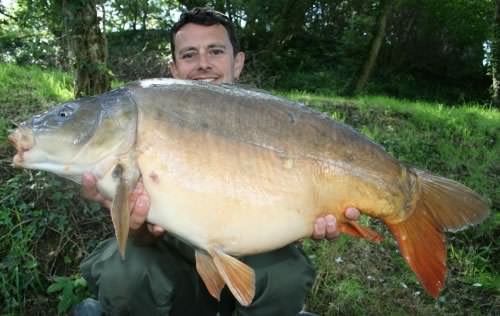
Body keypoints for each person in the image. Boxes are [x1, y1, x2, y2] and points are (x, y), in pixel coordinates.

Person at [77, 7, 360, 316]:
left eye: (215, 51)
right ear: (173, 69)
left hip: (250, 258)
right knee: (124, 271)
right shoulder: (147, 123)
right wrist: (137, 227)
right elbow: (141, 233)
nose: (203, 64)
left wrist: (318, 217)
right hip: (174, 270)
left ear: (237, 63)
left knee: (287, 274)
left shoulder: (275, 123)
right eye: (189, 55)